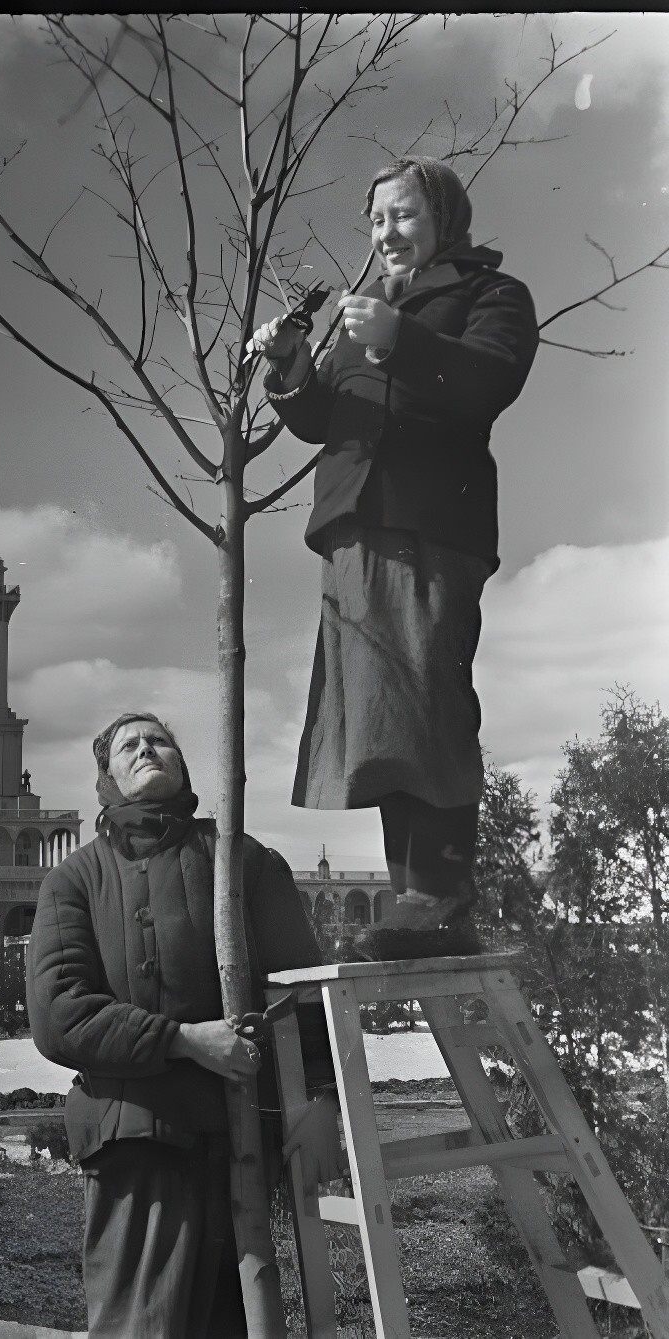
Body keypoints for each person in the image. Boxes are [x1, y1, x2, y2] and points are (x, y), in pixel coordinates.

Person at [248, 156, 539, 956]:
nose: (386, 233)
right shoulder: (362, 310)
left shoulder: (491, 296)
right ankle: (416, 902)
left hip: (430, 526)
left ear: (444, 217)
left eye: (402, 215)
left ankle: (442, 896)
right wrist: (290, 367)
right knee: (381, 716)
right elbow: (324, 416)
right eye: (376, 220)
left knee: (427, 697)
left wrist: (400, 338)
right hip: (351, 527)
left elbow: (487, 382)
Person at [26, 712, 334, 1339]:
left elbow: (303, 992)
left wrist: (322, 1098)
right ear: (106, 777)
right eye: (127, 745)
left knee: (240, 1320)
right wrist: (186, 1041)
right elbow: (59, 1015)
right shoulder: (75, 881)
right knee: (144, 1324)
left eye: (158, 740)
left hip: (242, 1136)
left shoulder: (242, 861)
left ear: (184, 764)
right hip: (136, 1149)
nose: (145, 749)